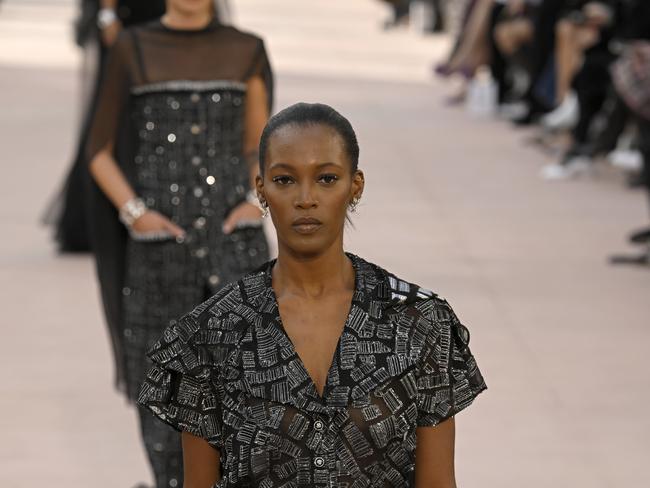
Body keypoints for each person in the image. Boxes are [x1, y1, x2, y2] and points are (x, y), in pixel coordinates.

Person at [139, 103, 487, 487]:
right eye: (285, 180)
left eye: (326, 178)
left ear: (355, 186)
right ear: (262, 190)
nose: (306, 198)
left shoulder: (418, 323)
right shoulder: (212, 333)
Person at [85, 0, 273, 486]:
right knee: (163, 400)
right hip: (160, 253)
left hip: (236, 248)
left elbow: (262, 145)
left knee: (249, 399)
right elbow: (98, 151)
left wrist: (256, 203)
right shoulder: (133, 47)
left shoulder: (247, 50)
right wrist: (136, 215)